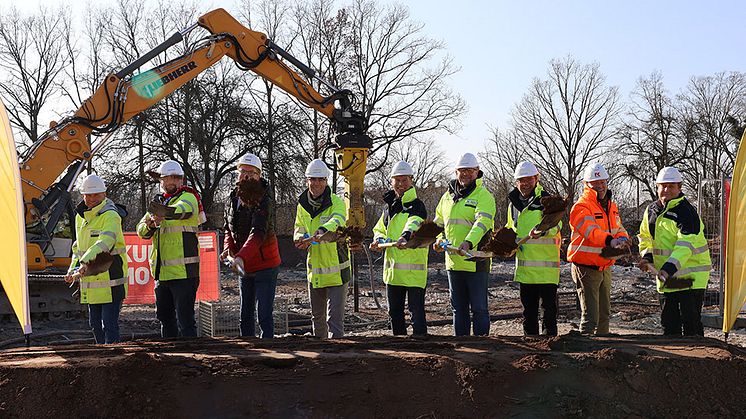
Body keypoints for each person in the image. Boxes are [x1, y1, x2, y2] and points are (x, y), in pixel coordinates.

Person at [638, 166, 711, 336]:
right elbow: (645, 237)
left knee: (690, 322)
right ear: (657, 187)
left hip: (690, 276)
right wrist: (647, 257)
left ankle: (697, 360)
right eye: (663, 186)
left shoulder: (687, 212)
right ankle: (674, 360)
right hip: (666, 276)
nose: (666, 190)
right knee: (669, 323)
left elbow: (685, 246)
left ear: (679, 188)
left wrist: (668, 268)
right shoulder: (651, 211)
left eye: (671, 186)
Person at [137, 160, 204, 338]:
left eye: (176, 178)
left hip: (184, 274)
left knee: (186, 321)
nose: (171, 182)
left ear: (181, 180)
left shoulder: (189, 197)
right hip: (162, 274)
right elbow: (141, 230)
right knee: (165, 319)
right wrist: (151, 223)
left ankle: (193, 357)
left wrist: (160, 214)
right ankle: (171, 359)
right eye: (167, 178)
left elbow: (182, 210)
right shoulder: (159, 203)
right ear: (161, 181)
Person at [433, 153, 496, 336]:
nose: (465, 174)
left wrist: (469, 242)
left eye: (470, 170)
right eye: (462, 170)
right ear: (456, 172)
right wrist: (437, 239)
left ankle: (482, 347)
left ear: (477, 172)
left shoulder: (484, 196)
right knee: (458, 309)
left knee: (479, 309)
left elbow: (482, 223)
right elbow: (439, 223)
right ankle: (462, 346)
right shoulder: (447, 197)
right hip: (453, 262)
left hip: (475, 261)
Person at [221, 153, 281, 338]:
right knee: (245, 315)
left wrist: (240, 257)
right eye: (243, 171)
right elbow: (228, 229)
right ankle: (249, 354)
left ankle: (270, 353)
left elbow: (258, 233)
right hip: (244, 266)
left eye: (252, 172)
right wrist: (228, 249)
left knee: (263, 315)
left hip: (266, 266)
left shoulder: (264, 201)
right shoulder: (231, 199)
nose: (246, 176)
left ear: (259, 176)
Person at [65, 174, 128, 344]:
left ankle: (114, 358)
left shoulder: (111, 215)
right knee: (95, 324)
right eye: (88, 195)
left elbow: (106, 241)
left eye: (96, 195)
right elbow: (78, 248)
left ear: (104, 194)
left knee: (109, 324)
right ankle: (101, 357)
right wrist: (73, 268)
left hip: (111, 280)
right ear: (83, 195)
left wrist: (85, 262)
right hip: (91, 284)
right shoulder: (80, 217)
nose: (92, 198)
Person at [567, 163, 629, 336]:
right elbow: (591, 232)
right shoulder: (581, 207)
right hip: (586, 267)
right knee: (591, 316)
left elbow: (618, 227)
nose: (600, 186)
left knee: (604, 314)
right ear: (587, 184)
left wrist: (623, 237)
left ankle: (604, 349)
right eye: (596, 183)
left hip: (604, 266)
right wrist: (611, 241)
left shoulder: (611, 206)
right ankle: (585, 350)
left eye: (603, 182)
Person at [369, 161, 429, 336]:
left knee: (416, 312)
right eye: (397, 180)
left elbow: (414, 222)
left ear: (411, 181)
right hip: (394, 272)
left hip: (413, 273)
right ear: (392, 181)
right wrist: (378, 240)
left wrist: (405, 236)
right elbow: (379, 228)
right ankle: (400, 349)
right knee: (394, 313)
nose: (401, 184)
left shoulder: (417, 205)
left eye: (405, 180)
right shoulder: (389, 207)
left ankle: (422, 347)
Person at [293, 159, 350, 338]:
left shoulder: (336, 202)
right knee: (317, 318)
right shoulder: (302, 205)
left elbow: (339, 219)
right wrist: (299, 238)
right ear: (307, 180)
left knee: (335, 320)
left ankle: (339, 358)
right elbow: (299, 227)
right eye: (313, 179)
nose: (316, 183)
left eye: (320, 180)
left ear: (326, 181)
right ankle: (321, 358)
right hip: (316, 270)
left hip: (336, 270)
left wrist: (323, 230)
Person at [507, 161, 562, 336]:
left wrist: (543, 231)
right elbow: (511, 229)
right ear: (516, 182)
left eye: (528, 179)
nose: (525, 183)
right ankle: (531, 348)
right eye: (521, 180)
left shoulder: (546, 200)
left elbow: (557, 225)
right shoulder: (513, 204)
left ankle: (551, 349)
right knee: (528, 313)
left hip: (546, 269)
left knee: (549, 313)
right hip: (525, 269)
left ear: (536, 179)